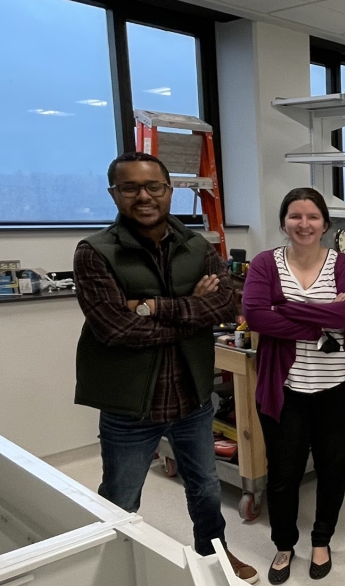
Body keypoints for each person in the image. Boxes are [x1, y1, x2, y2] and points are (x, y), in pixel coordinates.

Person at [73, 151, 258, 583]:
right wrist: (191, 311)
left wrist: (151, 307)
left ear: (169, 191)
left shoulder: (197, 246)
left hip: (192, 395)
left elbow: (225, 305)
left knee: (207, 488)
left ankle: (215, 555)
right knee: (121, 494)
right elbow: (116, 330)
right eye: (130, 187)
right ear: (114, 193)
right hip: (130, 405)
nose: (144, 196)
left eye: (153, 186)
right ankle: (111, 565)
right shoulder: (96, 253)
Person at [242, 188, 345, 584]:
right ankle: (283, 544)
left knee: (332, 468)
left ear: (325, 224)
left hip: (335, 389)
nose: (304, 224)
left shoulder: (343, 265)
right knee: (283, 472)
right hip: (286, 390)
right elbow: (256, 317)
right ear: (283, 223)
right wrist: (325, 316)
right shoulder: (266, 264)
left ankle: (321, 540)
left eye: (312, 217)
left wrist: (288, 310)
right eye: (295, 216)